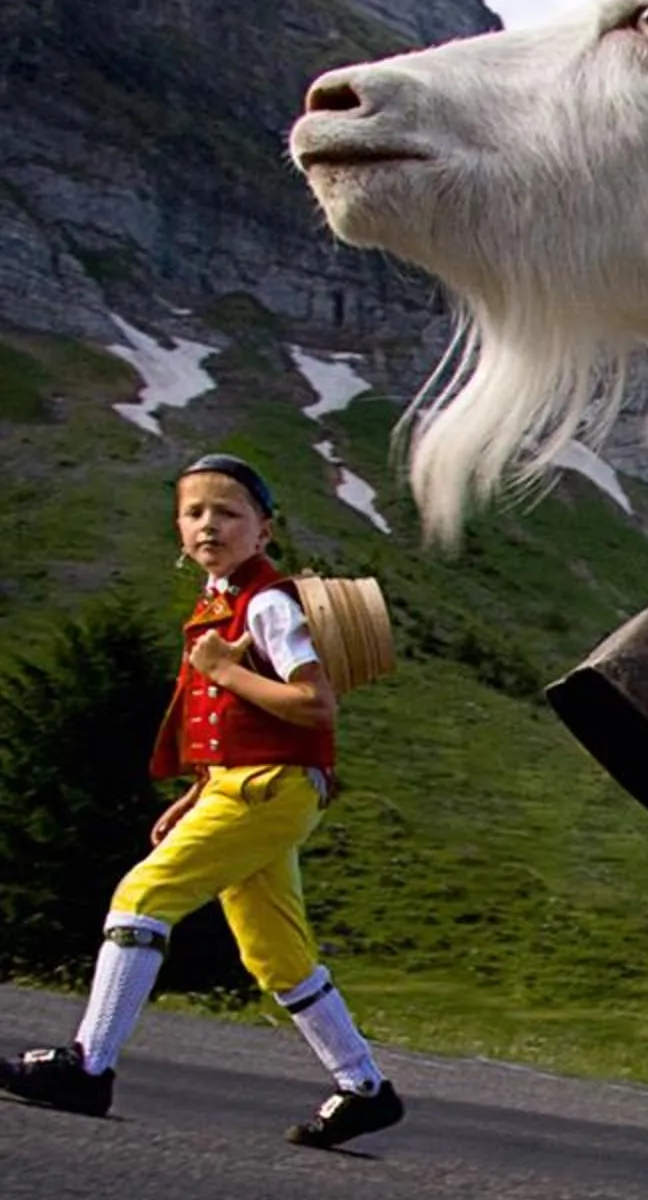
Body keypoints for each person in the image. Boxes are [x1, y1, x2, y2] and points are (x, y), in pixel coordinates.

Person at [1, 453, 405, 1148]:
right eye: (194, 513)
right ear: (178, 531)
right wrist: (198, 789)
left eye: (228, 512)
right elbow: (238, 722)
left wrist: (221, 669)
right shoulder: (220, 602)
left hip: (269, 786)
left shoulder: (268, 603)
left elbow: (315, 705)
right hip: (244, 784)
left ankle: (88, 1067)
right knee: (277, 954)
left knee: (142, 895)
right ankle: (364, 1087)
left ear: (264, 531)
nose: (208, 524)